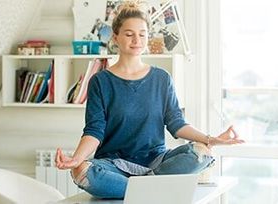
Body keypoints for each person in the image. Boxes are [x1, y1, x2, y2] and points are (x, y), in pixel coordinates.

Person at [55, 0, 244, 199]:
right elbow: (94, 131)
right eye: (129, 34)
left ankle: (136, 188)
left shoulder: (162, 79)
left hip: (156, 161)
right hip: (114, 164)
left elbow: (176, 124)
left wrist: (210, 139)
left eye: (142, 34)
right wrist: (76, 159)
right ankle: (155, 188)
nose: (137, 40)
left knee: (203, 153)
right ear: (115, 37)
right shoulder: (100, 82)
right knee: (81, 171)